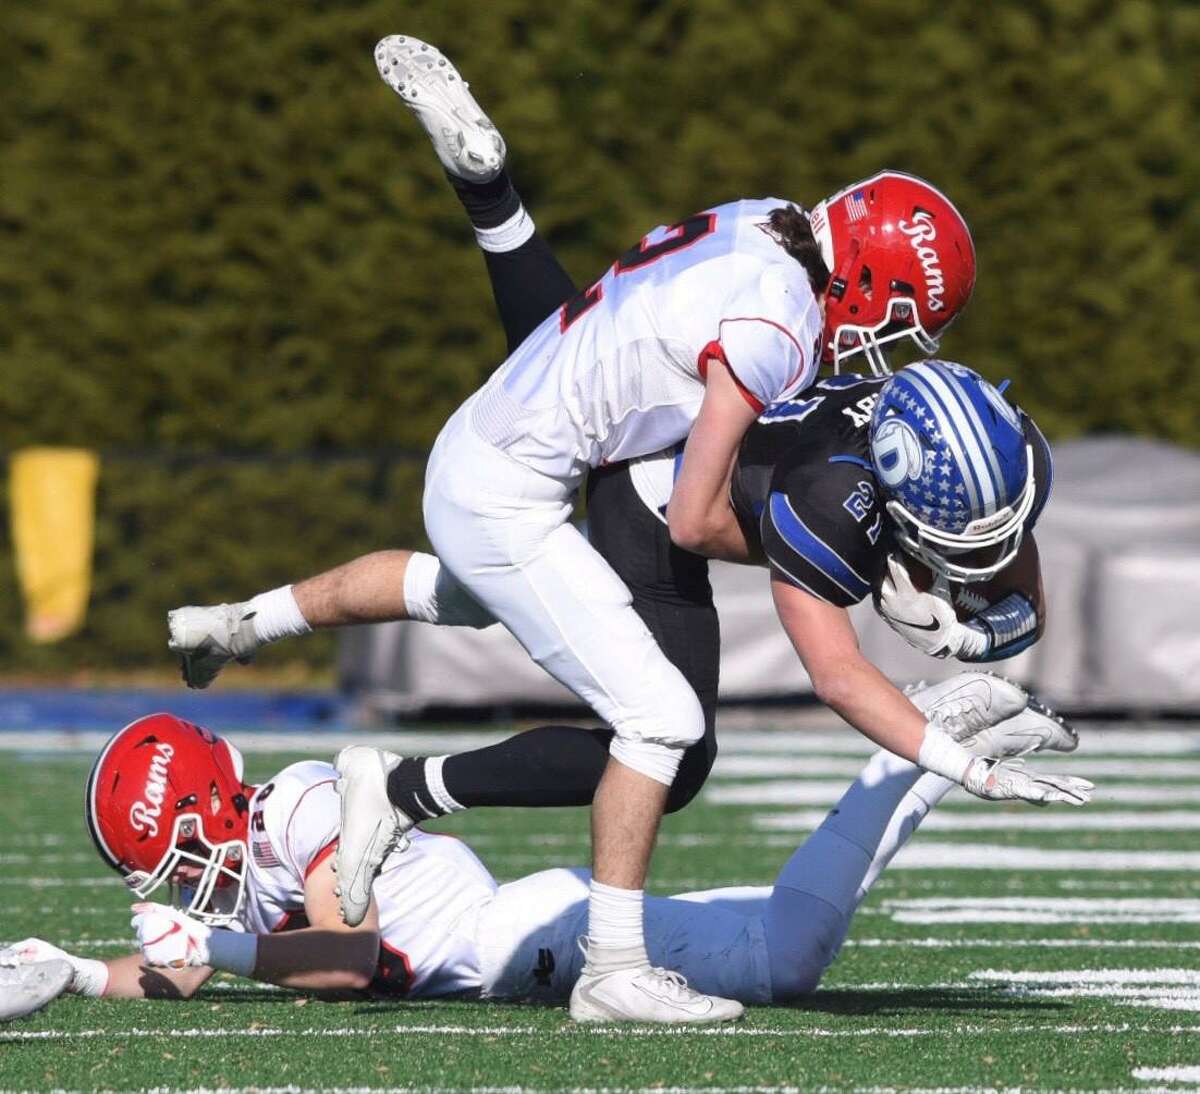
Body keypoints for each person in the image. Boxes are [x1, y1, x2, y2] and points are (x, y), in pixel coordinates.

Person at [166, 34, 995, 1026]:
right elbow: (693, 512)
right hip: (510, 491)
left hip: (505, 429)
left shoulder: (760, 222)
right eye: (899, 314)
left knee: (456, 593)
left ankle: (242, 620)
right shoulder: (779, 324)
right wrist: (841, 567)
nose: (884, 338)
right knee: (662, 726)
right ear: (868, 277)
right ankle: (550, 915)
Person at [1, 690, 1080, 1012]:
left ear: (206, 807)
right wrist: (78, 971)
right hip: (521, 935)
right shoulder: (250, 857)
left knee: (788, 955)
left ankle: (918, 747)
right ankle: (927, 749)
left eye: (182, 861)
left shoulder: (295, 808)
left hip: (523, 937)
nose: (188, 888)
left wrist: (222, 950)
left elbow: (346, 955)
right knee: (773, 924)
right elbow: (195, 960)